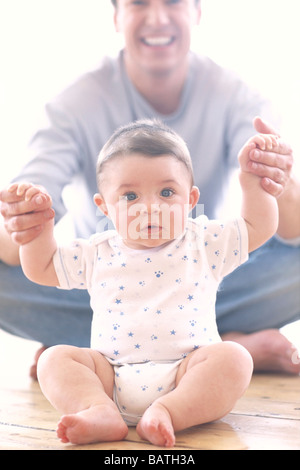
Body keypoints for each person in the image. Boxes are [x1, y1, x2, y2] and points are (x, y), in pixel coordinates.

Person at [0, 0, 299, 377]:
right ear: (116, 16)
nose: (157, 17)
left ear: (197, 12)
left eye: (172, 1)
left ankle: (100, 352)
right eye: (139, 2)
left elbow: (280, 227)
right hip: (104, 292)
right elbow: (25, 251)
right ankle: (213, 348)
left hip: (207, 278)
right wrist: (25, 220)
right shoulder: (72, 103)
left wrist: (274, 178)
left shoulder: (240, 95)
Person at [8, 119, 281, 446]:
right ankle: (99, 409)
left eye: (167, 192)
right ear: (104, 206)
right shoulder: (98, 252)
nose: (150, 207)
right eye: (130, 196)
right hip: (109, 375)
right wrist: (36, 231)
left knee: (234, 360)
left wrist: (253, 181)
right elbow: (42, 267)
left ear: (191, 199)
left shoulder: (203, 242)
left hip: (186, 375)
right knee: (54, 360)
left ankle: (169, 412)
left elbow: (257, 225)